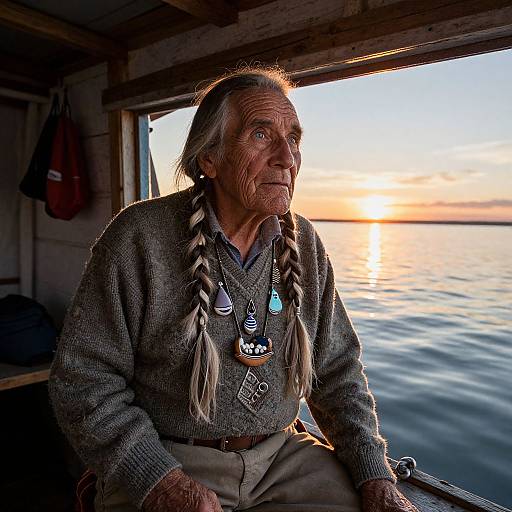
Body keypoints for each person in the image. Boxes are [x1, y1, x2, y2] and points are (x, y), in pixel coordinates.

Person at [48, 67, 420, 512]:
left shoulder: (304, 244)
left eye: (295, 138)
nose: (288, 157)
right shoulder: (139, 237)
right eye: (262, 135)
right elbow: (82, 381)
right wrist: (159, 480)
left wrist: (374, 475)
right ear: (210, 158)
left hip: (284, 458)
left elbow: (338, 373)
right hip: (171, 459)